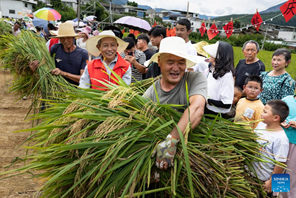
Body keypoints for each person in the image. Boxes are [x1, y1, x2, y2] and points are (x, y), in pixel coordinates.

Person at [144, 36, 207, 170]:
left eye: (181, 62)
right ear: (159, 62)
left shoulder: (194, 79)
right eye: (170, 62)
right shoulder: (150, 94)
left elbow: (197, 108)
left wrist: (171, 140)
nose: (176, 68)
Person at [252, 100, 289, 195]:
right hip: (251, 173)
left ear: (276, 118)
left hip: (264, 180)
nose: (261, 113)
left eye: (265, 112)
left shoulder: (281, 138)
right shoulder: (261, 124)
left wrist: (271, 182)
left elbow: (281, 163)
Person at [202, 41, 235, 116]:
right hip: (206, 108)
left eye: (212, 55)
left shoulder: (227, 76)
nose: (209, 56)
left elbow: (226, 103)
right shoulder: (211, 70)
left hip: (216, 115)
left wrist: (207, 100)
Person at [280, 95, 296, 198]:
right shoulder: (287, 100)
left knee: (292, 170)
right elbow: (277, 115)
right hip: (283, 141)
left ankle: (290, 195)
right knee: (281, 167)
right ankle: (279, 194)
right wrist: (281, 122)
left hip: (295, 143)